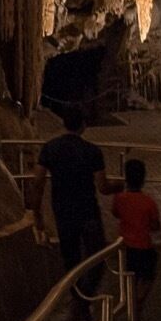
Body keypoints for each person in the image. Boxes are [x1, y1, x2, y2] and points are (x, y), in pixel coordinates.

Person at [34, 108, 111, 300]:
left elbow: (38, 183)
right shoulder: (92, 151)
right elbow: (103, 186)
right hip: (88, 211)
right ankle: (84, 298)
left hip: (63, 211)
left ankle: (77, 299)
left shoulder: (49, 148)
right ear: (83, 125)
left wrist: (37, 215)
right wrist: (122, 186)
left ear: (63, 123)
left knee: (71, 259)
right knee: (98, 256)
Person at [110, 157, 161, 290]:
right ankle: (139, 300)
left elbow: (115, 213)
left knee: (127, 278)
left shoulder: (120, 198)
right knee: (146, 277)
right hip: (143, 247)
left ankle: (129, 299)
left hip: (125, 247)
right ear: (143, 179)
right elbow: (155, 226)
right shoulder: (149, 202)